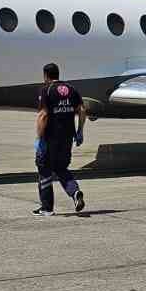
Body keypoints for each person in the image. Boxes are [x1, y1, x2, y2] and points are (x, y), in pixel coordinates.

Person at [35, 62, 87, 217]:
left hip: (50, 138)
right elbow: (82, 110)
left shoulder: (47, 90)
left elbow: (43, 115)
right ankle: (75, 192)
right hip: (67, 138)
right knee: (61, 168)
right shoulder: (71, 89)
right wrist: (80, 131)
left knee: (44, 168)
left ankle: (47, 208)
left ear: (45, 75)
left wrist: (39, 138)